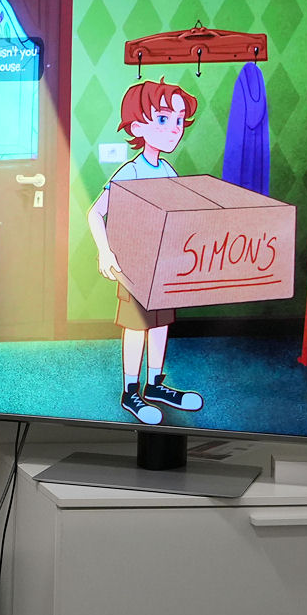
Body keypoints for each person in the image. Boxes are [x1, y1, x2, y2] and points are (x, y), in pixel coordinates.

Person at [87, 78, 207, 424]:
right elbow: (95, 213)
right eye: (164, 119)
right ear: (138, 127)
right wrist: (105, 252)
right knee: (137, 327)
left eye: (179, 120)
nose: (175, 129)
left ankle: (154, 384)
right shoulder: (130, 172)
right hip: (135, 267)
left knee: (160, 325)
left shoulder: (168, 171)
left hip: (163, 267)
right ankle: (131, 391)